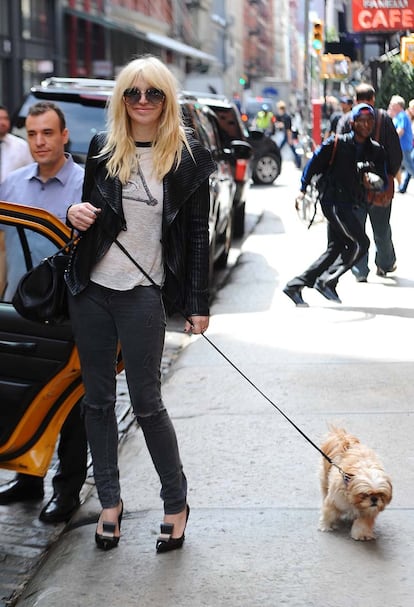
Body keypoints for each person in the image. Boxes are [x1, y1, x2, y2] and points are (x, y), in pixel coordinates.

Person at [64, 55, 215, 552]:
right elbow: (88, 219)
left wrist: (197, 302)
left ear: (167, 99)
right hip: (92, 292)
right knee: (98, 402)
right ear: (122, 99)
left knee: (147, 404)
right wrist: (74, 212)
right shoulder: (103, 148)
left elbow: (197, 236)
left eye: (153, 93)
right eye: (133, 93)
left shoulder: (187, 158)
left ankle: (176, 502)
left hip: (144, 294)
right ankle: (110, 502)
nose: (143, 101)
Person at [0, 101, 87, 524]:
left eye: (48, 133)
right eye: (33, 134)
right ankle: (26, 479)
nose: (40, 142)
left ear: (64, 136)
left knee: (73, 405)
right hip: (20, 308)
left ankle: (66, 491)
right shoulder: (11, 185)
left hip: (71, 313)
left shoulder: (86, 186)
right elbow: (2, 249)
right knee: (23, 392)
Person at [283, 103, 387, 307]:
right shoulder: (337, 143)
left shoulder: (375, 150)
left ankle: (295, 285)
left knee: (336, 247)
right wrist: (302, 189)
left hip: (352, 204)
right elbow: (313, 164)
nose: (366, 125)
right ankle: (327, 280)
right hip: (333, 202)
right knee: (361, 243)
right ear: (352, 123)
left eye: (370, 121)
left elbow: (382, 179)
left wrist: (373, 182)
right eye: (361, 121)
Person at [337, 84, 402, 281]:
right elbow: (396, 154)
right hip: (380, 185)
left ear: (355, 100)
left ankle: (360, 271)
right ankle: (384, 264)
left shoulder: (346, 120)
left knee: (357, 229)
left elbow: (338, 150)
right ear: (373, 99)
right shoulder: (384, 119)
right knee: (382, 227)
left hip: (354, 187)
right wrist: (389, 174)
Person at [0, 104, 33, 184]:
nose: (3, 122)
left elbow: (31, 172)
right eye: (0, 119)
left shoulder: (21, 146)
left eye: (6, 118)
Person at [275, 100, 301, 168]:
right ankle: (298, 162)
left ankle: (298, 162)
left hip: (288, 135)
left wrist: (290, 139)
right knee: (285, 148)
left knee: (290, 149)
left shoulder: (286, 117)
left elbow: (288, 129)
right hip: (287, 136)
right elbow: (285, 126)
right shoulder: (284, 117)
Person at [398, 98, 414, 193]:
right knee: (410, 164)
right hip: (411, 144)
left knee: (410, 164)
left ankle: (403, 187)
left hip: (411, 145)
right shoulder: (407, 117)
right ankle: (403, 187)